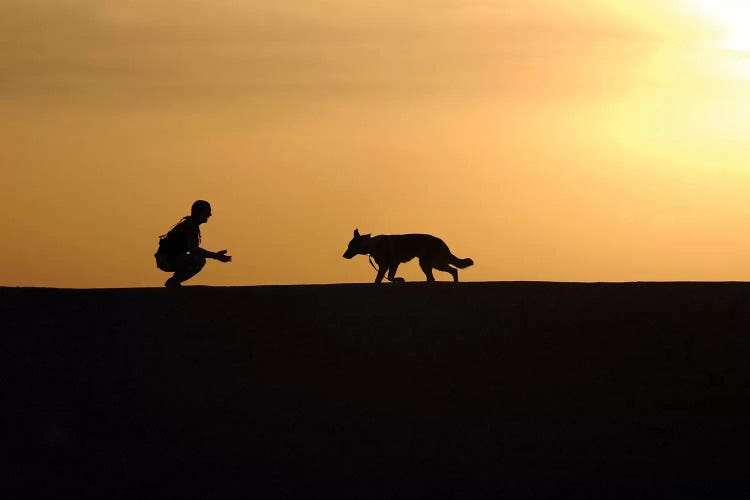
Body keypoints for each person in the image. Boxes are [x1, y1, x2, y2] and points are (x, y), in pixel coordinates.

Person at [154, 200, 231, 288]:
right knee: (198, 260)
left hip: (168, 258)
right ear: (199, 212)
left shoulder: (190, 225)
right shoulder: (190, 226)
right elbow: (194, 250)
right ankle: (173, 282)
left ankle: (174, 282)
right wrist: (215, 256)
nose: (210, 215)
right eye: (207, 211)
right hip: (167, 259)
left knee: (196, 259)